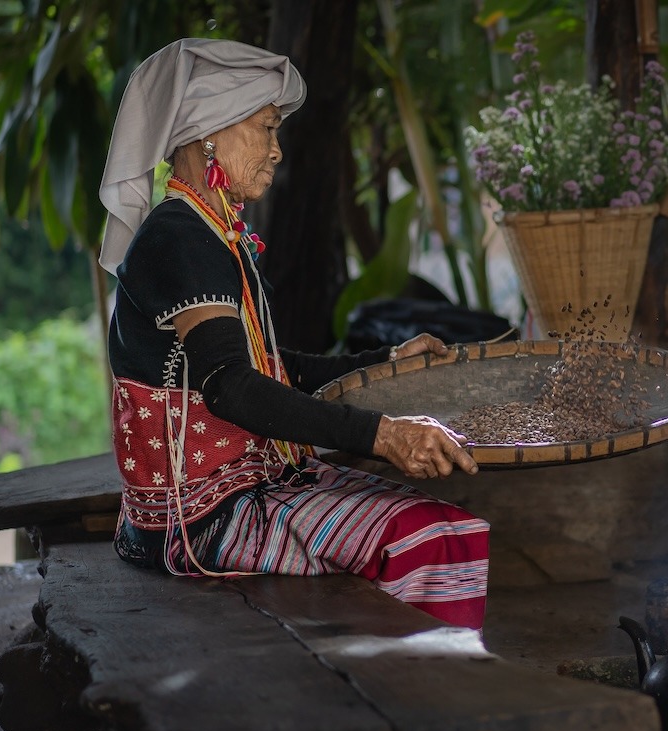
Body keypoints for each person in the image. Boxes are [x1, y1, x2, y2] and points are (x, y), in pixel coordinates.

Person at [98, 38, 489, 630]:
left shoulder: (214, 232)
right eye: (266, 128)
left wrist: (388, 362)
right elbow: (231, 388)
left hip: (245, 486)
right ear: (210, 135)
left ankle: (410, 679)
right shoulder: (178, 237)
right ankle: (420, 697)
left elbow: (273, 368)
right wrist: (380, 435)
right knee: (434, 534)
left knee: (435, 521)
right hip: (200, 519)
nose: (277, 151)